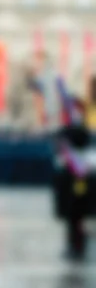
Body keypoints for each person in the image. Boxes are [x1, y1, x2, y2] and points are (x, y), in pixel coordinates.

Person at [56, 96, 92, 260]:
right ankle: (72, 244)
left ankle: (79, 245)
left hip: (81, 178)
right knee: (70, 216)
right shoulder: (65, 131)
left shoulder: (83, 131)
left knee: (78, 214)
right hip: (68, 179)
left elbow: (84, 145)